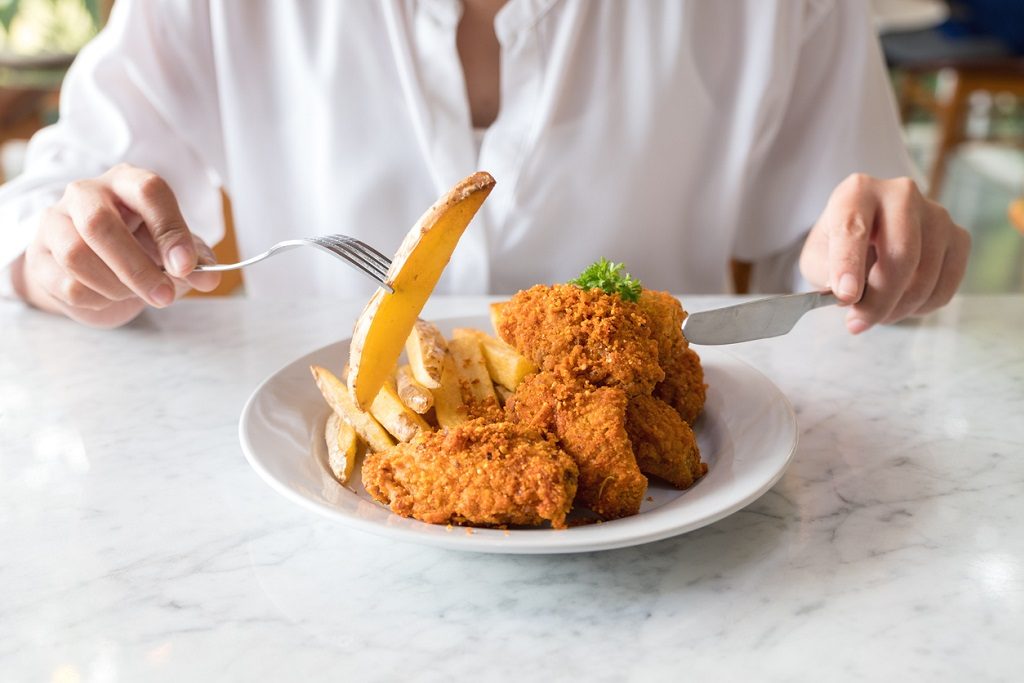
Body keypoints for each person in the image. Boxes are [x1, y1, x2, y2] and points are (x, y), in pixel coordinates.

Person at [0, 0, 970, 332]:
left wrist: (882, 257)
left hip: (678, 566)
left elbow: (842, 252)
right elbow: (44, 207)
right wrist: (63, 254)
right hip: (314, 557)